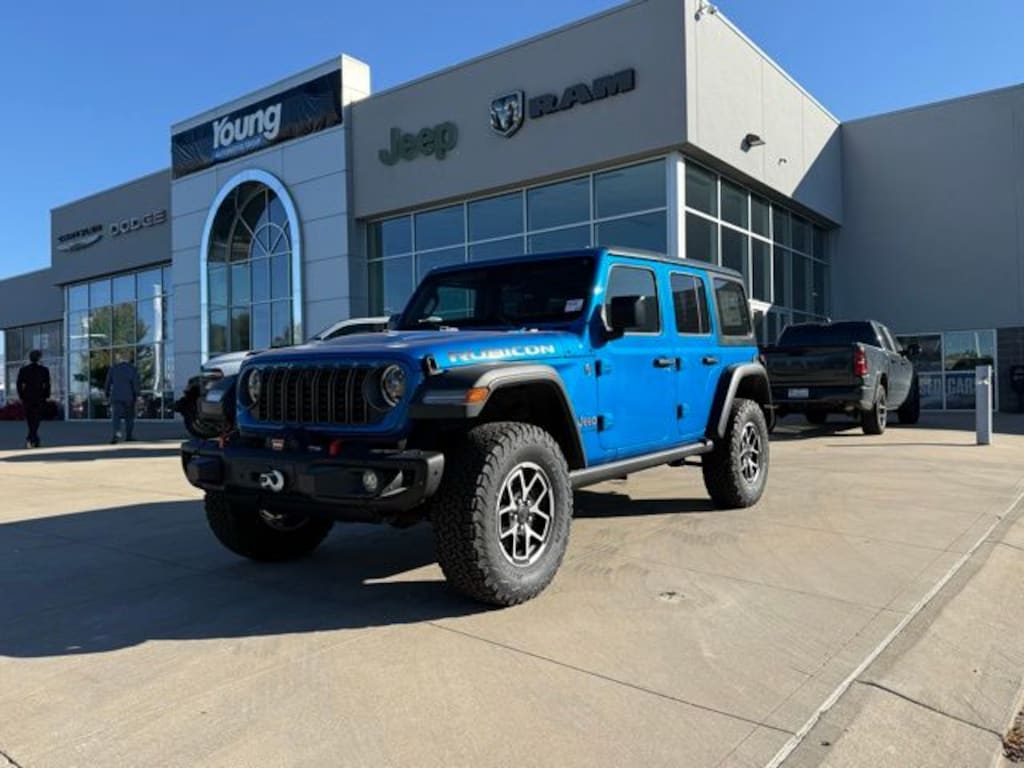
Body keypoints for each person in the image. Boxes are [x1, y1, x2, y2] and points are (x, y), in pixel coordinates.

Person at [16, 350, 51, 449]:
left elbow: (19, 384)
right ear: (39, 358)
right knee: (36, 418)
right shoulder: (44, 370)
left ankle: (32, 438)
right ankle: (32, 438)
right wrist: (46, 395)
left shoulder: (24, 370)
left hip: (27, 397)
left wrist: (21, 395)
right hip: (39, 396)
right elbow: (47, 384)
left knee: (30, 419)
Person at [105, 354, 140, 443]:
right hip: (129, 397)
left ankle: (116, 435)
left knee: (116, 418)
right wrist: (137, 395)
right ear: (128, 359)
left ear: (119, 359)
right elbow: (135, 383)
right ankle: (129, 436)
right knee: (129, 418)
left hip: (116, 397)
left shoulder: (113, 368)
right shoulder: (132, 369)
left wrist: (107, 394)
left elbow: (108, 383)